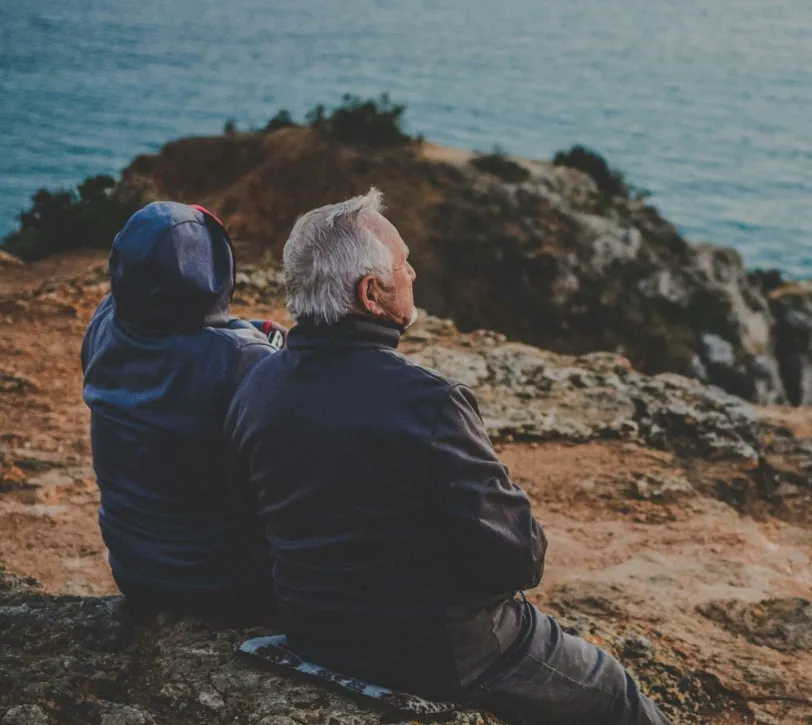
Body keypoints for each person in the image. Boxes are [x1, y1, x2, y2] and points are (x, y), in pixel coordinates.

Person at [225, 189, 672, 725]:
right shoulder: (429, 401)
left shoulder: (258, 385)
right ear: (372, 293)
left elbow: (251, 516)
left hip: (312, 630)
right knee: (615, 692)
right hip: (443, 652)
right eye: (404, 264)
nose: (413, 274)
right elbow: (520, 558)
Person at [82, 201, 285, 625]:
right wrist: (265, 341)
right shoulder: (243, 360)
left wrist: (243, 329)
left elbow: (175, 328)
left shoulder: (104, 323)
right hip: (227, 584)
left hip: (132, 569)